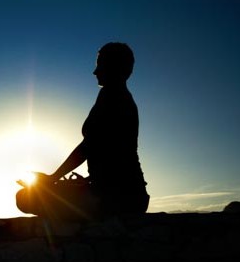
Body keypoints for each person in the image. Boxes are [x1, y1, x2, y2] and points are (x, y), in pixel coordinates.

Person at [16, 42, 150, 221]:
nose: (95, 72)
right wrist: (86, 180)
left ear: (114, 68)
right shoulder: (114, 96)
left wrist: (52, 178)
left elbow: (90, 145)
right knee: (30, 195)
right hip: (122, 195)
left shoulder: (113, 97)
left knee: (25, 197)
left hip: (118, 198)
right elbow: (109, 153)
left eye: (100, 65)